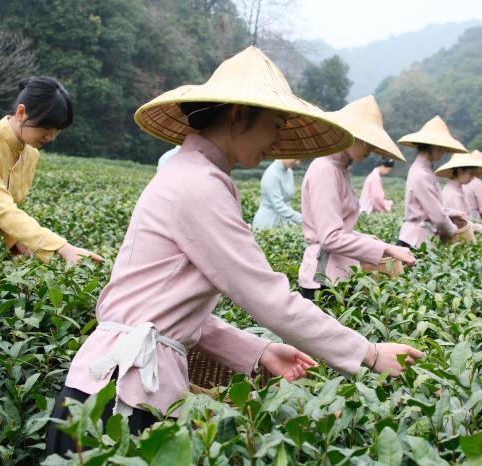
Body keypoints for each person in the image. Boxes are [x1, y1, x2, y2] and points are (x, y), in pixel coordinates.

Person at [46, 48, 423, 457]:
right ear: (239, 116)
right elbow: (268, 298)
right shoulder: (199, 185)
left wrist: (259, 351)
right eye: (274, 125)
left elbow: (171, 314)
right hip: (121, 396)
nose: (276, 140)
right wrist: (369, 353)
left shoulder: (188, 174)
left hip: (101, 390)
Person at [298, 95, 414, 299]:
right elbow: (330, 238)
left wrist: (365, 238)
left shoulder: (338, 168)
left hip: (338, 275)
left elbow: (338, 227)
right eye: (366, 141)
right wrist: (386, 248)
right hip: (323, 280)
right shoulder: (326, 170)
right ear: (349, 134)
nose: (370, 150)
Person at [0, 76, 103, 264]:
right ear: (21, 113)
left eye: (57, 129)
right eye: (46, 127)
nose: (51, 137)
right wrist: (63, 247)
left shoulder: (31, 154)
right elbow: (2, 209)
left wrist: (15, 241)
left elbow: (8, 205)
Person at [396, 116, 469, 248]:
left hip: (421, 237)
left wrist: (454, 213)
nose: (443, 152)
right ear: (433, 146)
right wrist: (453, 230)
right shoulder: (421, 173)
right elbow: (436, 215)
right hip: (416, 240)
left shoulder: (425, 170)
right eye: (442, 148)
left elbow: (431, 206)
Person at [434, 152, 482, 233]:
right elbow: (461, 225)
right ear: (460, 171)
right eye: (470, 174)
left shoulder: (456, 189)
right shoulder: (453, 194)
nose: (472, 178)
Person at [252, 158, 303, 230]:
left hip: (285, 220)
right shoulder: (272, 174)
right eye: (295, 159)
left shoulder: (289, 171)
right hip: (268, 222)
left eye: (300, 159)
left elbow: (287, 202)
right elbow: (279, 205)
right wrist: (302, 219)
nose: (298, 162)